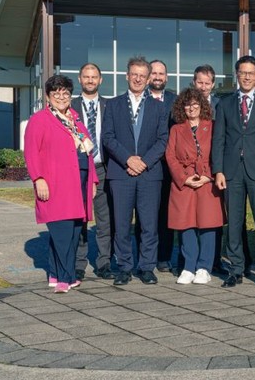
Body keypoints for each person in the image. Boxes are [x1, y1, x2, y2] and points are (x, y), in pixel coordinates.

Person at [24, 74, 98, 294]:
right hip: (56, 184)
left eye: (65, 93)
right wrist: (38, 179)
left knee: (75, 231)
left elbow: (89, 154)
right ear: (48, 96)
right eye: (56, 93)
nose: (61, 97)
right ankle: (67, 278)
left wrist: (92, 181)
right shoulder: (40, 120)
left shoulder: (75, 121)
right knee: (62, 232)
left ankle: (56, 273)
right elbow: (31, 152)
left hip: (79, 184)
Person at [212, 56, 255, 288]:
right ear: (237, 74)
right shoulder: (224, 104)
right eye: (243, 72)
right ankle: (236, 269)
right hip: (232, 172)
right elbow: (218, 140)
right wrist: (218, 170)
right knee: (234, 223)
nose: (248, 76)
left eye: (252, 72)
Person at [101, 57, 170, 286]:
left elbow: (163, 140)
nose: (138, 78)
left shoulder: (160, 108)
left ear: (149, 78)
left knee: (149, 224)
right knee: (121, 224)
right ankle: (124, 267)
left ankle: (147, 267)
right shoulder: (113, 105)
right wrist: (128, 159)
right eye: (134, 74)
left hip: (150, 174)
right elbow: (108, 137)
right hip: (121, 173)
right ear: (127, 76)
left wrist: (145, 162)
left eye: (143, 75)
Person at [165, 88, 223, 285]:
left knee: (208, 224)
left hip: (207, 181)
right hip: (185, 182)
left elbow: (219, 151)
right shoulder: (176, 129)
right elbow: (170, 156)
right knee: (186, 224)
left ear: (202, 105)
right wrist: (184, 177)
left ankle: (204, 267)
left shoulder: (212, 126)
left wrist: (208, 175)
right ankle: (189, 266)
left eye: (195, 104)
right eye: (188, 104)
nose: (192, 108)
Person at [72, 63, 113, 280]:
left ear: (100, 80)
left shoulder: (111, 106)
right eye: (86, 76)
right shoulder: (69, 108)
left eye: (94, 77)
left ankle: (104, 262)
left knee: (104, 219)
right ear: (80, 79)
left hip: (103, 168)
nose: (90, 80)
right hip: (78, 170)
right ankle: (79, 263)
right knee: (80, 218)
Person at [149, 59, 178, 274]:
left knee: (167, 213)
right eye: (154, 73)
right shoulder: (139, 100)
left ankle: (164, 257)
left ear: (166, 77)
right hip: (147, 165)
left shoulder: (175, 101)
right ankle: (145, 256)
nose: (157, 77)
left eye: (161, 73)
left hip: (169, 166)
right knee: (146, 213)